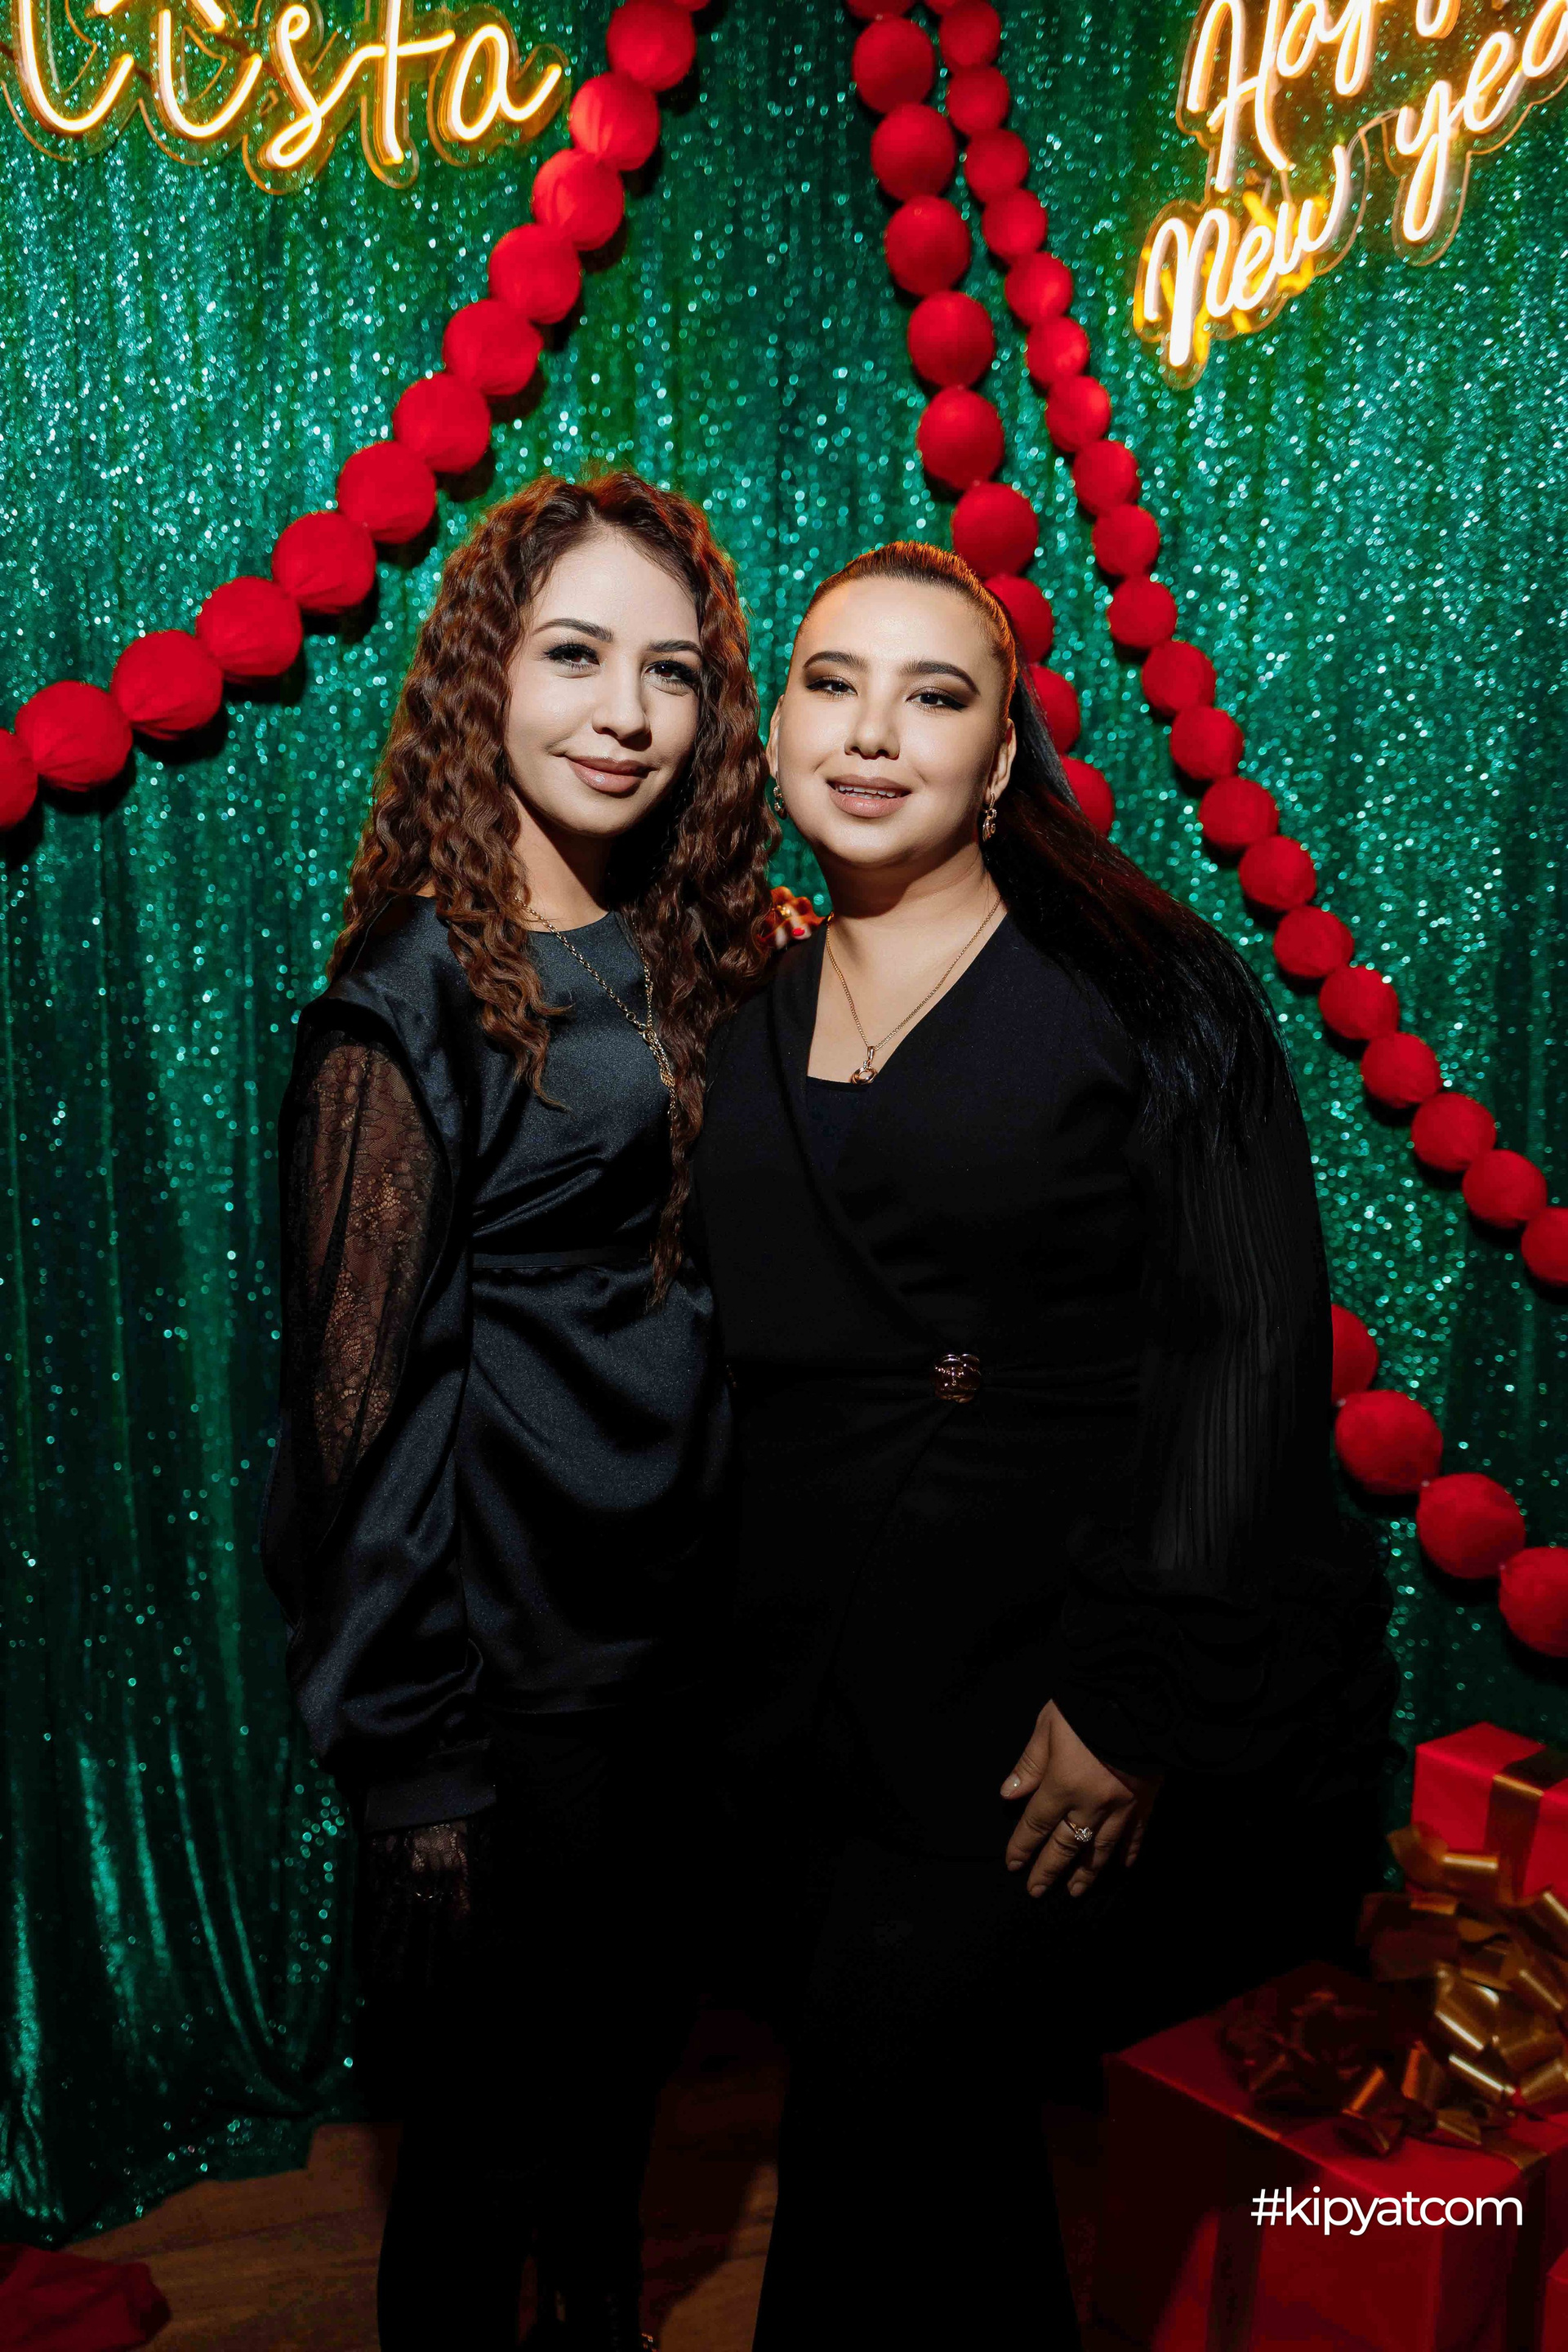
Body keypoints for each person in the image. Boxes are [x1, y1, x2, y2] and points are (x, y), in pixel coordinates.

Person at [691, 541, 1398, 2349]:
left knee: (878, 2139)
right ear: (775, 729)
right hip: (805, 1695)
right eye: (833, 683)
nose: (874, 733)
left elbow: (1248, 1357)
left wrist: (1135, 1694)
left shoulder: (1151, 990)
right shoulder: (748, 1016)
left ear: (1003, 755)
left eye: (935, 696)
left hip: (1029, 1698)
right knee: (934, 2165)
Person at [259, 471, 773, 2352]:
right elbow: (352, 1432)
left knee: (615, 2129)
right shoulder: (405, 1002)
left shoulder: (699, 955)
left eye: (671, 671)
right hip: (502, 1692)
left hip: (676, 1667)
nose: (625, 713)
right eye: (574, 657)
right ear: (486, 679)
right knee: (478, 2173)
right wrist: (413, 1762)